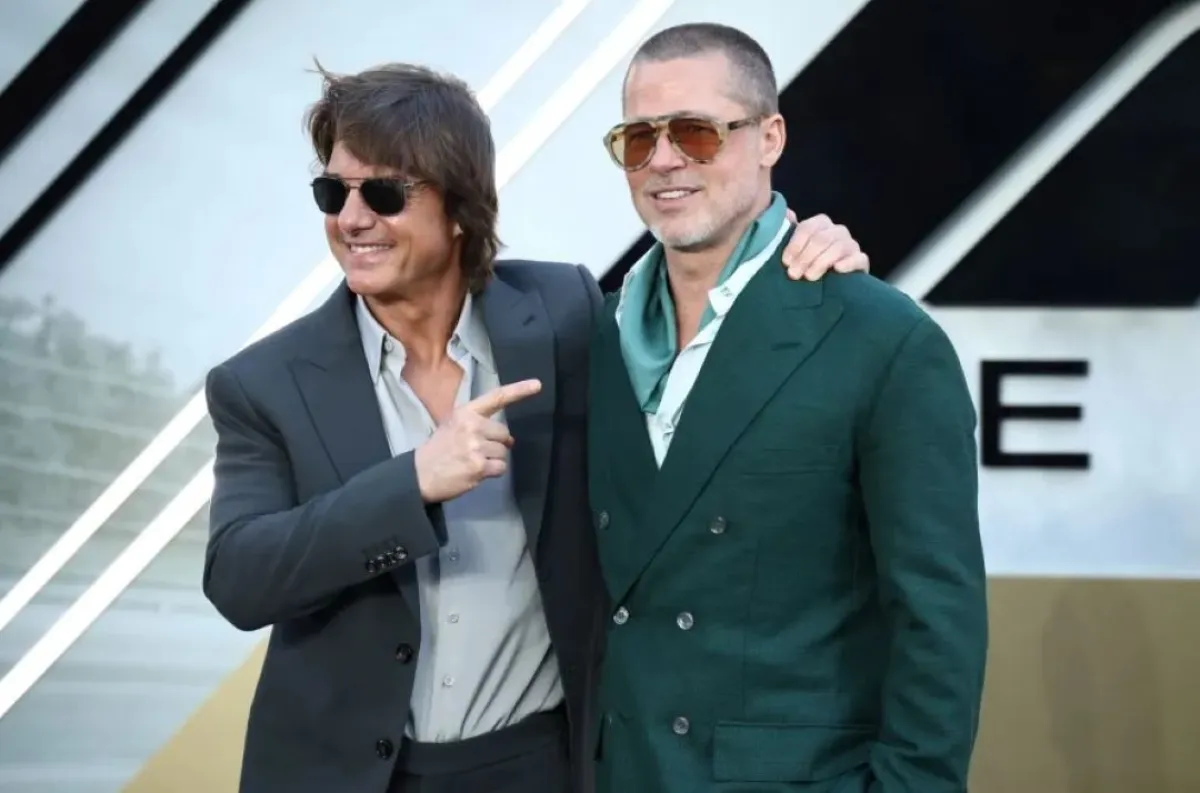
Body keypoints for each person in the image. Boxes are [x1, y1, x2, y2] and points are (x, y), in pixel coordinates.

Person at [201, 60, 869, 793]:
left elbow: (704, 318)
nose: (352, 218)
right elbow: (239, 576)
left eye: (385, 193)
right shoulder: (262, 382)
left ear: (458, 207)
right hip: (341, 775)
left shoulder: (564, 313)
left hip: (537, 766)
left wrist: (804, 249)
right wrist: (413, 481)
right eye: (334, 191)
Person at [587, 22, 988, 793]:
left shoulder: (881, 338)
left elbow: (937, 619)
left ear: (769, 137)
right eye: (638, 140)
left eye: (696, 133)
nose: (663, 160)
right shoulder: (591, 338)